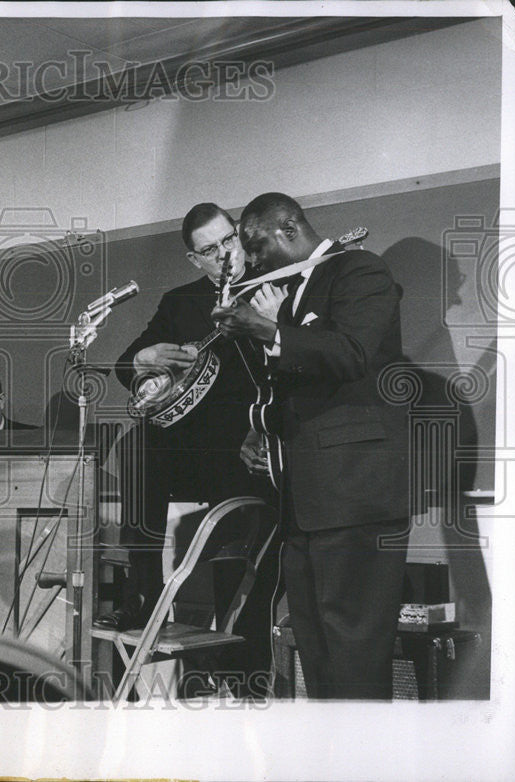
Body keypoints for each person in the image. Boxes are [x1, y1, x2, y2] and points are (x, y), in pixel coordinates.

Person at [212, 192, 409, 700]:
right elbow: (306, 390)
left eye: (256, 249)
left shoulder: (359, 271)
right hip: (304, 504)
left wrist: (267, 328)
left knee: (355, 653)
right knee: (316, 652)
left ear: (288, 229)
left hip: (354, 496)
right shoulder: (291, 294)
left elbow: (352, 354)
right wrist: (262, 432)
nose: (253, 263)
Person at [97, 202, 273, 644]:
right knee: (137, 444)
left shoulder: (273, 285)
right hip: (191, 446)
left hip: (250, 443)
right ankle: (143, 595)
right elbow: (125, 364)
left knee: (236, 526)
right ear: (195, 259)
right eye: (210, 250)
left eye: (228, 240)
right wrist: (144, 357)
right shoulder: (181, 302)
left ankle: (235, 647)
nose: (224, 255)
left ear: (240, 235)